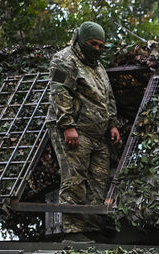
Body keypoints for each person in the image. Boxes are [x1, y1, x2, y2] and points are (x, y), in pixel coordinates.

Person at [46, 21, 120, 239]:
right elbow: (60, 92)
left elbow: (108, 97)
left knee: (99, 182)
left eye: (100, 46)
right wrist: (67, 125)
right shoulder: (64, 60)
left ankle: (93, 228)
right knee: (74, 180)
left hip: (98, 134)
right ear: (81, 39)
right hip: (75, 131)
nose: (96, 49)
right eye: (93, 44)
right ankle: (74, 231)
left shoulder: (98, 67)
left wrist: (113, 123)